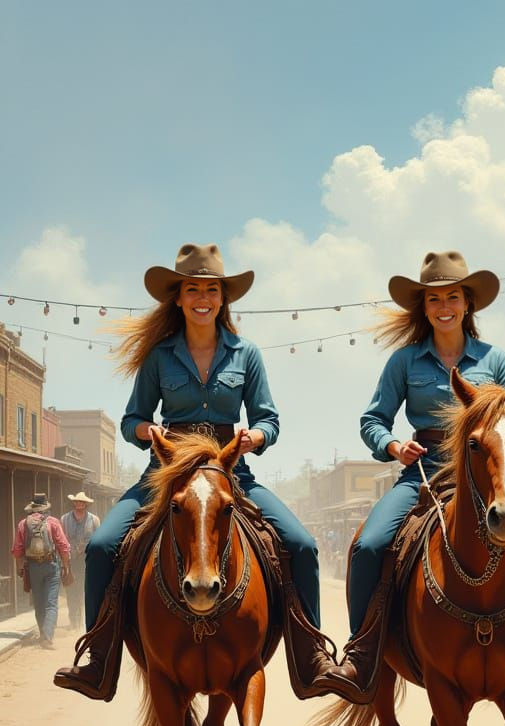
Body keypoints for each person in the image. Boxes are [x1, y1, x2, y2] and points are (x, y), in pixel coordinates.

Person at [54, 243, 347, 700]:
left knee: (303, 545)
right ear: (178, 297)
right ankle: (98, 659)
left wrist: (257, 438)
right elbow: (132, 418)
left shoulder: (246, 353)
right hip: (168, 470)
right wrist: (146, 429)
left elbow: (268, 418)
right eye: (193, 289)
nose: (203, 297)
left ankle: (311, 656)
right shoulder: (159, 356)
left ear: (222, 297)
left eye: (211, 289)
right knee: (100, 545)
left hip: (232, 471)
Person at [334, 249, 505, 704]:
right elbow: (373, 420)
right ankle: (363, 652)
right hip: (425, 468)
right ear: (424, 307)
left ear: (468, 305)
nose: (444, 307)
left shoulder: (494, 359)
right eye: (435, 299)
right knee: (369, 545)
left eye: (453, 298)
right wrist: (394, 446)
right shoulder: (404, 362)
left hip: (488, 472)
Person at [12, 494, 71, 650]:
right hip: (51, 565)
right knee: (52, 603)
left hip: (33, 567)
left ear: (32, 508)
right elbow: (63, 546)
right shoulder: (53, 522)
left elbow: (17, 550)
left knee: (38, 602)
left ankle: (42, 632)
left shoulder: (23, 524)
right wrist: (66, 566)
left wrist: (20, 568)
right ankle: (47, 636)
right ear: (46, 507)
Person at [60, 491, 99, 631]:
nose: (79, 504)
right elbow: (61, 540)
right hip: (70, 559)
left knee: (84, 590)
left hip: (86, 560)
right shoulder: (64, 519)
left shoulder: (94, 520)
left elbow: (97, 540)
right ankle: (73, 620)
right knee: (71, 590)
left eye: (81, 502)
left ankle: (81, 618)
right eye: (77, 502)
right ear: (74, 503)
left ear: (86, 504)